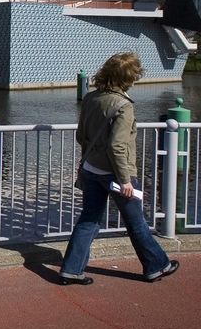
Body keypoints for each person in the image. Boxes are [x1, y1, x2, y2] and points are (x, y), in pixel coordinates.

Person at [60, 52, 179, 285]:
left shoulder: (91, 98)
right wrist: (125, 180)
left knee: (89, 219)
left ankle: (71, 269)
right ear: (128, 78)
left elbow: (80, 135)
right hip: (116, 174)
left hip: (91, 169)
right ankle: (156, 265)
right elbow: (117, 146)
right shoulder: (124, 106)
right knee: (136, 222)